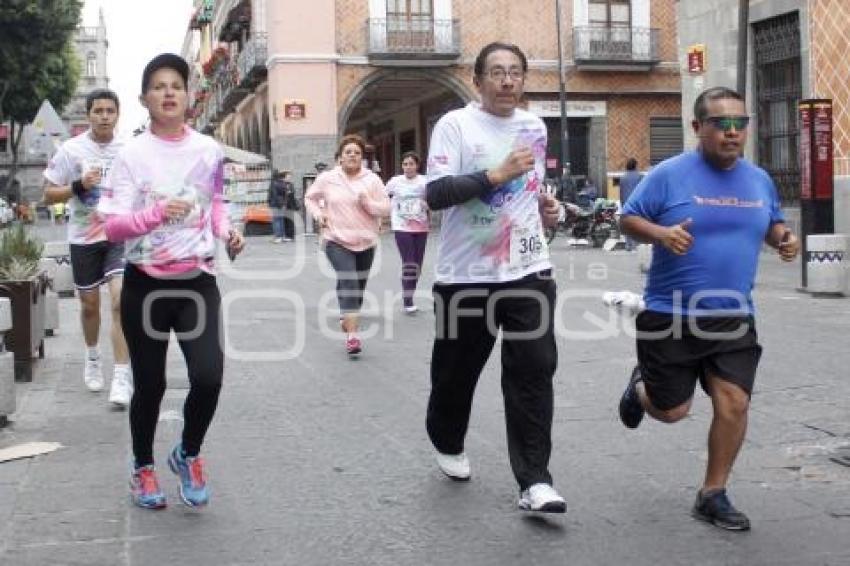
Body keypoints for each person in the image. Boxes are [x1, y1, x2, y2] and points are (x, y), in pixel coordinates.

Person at [617, 86, 800, 531]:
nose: (733, 132)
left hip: (733, 315)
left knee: (734, 402)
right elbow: (627, 217)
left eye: (741, 123)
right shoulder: (668, 174)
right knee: (671, 411)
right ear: (698, 127)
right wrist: (661, 234)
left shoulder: (759, 179)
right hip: (670, 313)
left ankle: (712, 492)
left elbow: (771, 222)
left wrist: (784, 239)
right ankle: (642, 389)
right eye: (722, 123)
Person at [97, 53, 245, 509]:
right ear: (145, 99)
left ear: (187, 96)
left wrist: (227, 231)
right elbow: (112, 227)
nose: (168, 92)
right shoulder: (131, 155)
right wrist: (155, 214)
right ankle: (143, 467)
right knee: (151, 384)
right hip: (145, 284)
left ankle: (187, 452)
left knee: (208, 377)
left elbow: (215, 203)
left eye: (176, 85)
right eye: (158, 86)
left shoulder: (208, 150)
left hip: (197, 279)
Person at [424, 42, 564, 513]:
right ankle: (446, 437)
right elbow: (438, 193)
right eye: (497, 72)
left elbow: (530, 192)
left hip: (528, 270)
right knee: (455, 376)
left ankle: (535, 482)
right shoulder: (454, 126)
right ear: (478, 79)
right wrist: (496, 173)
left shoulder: (534, 126)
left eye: (516, 72)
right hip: (465, 277)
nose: (507, 81)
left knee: (533, 372)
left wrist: (549, 212)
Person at [43, 88, 133, 407]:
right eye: (98, 111)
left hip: (118, 235)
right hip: (83, 237)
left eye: (110, 110)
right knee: (90, 306)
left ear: (117, 115)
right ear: (89, 114)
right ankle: (93, 356)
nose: (105, 116)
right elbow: (48, 194)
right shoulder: (71, 150)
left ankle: (122, 375)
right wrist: (80, 186)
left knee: (121, 301)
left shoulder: (130, 148)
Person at [304, 134, 390, 356]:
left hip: (365, 241)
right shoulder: (328, 178)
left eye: (357, 153)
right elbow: (310, 198)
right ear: (340, 157)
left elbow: (386, 208)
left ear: (362, 158)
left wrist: (368, 203)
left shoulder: (372, 180)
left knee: (358, 286)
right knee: (349, 279)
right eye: (348, 152)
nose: (352, 155)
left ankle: (347, 314)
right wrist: (318, 214)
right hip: (336, 239)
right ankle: (352, 336)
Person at [385, 151, 429, 314]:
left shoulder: (424, 181)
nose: (408, 167)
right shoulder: (395, 182)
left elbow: (433, 199)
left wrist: (427, 204)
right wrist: (387, 209)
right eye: (405, 164)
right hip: (401, 226)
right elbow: (383, 195)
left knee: (417, 266)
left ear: (417, 165)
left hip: (421, 226)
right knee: (409, 262)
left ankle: (409, 292)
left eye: (411, 164)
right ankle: (407, 300)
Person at [618, 158, 642, 251]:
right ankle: (636, 244)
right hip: (637, 204)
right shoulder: (640, 176)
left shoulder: (623, 177)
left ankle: (628, 245)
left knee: (628, 224)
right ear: (635, 165)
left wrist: (622, 203)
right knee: (638, 224)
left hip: (626, 203)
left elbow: (621, 192)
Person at [267, 170, 287, 243]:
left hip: (275, 204)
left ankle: (278, 237)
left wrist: (269, 202)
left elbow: (273, 194)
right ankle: (282, 236)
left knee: (276, 220)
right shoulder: (282, 183)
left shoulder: (273, 183)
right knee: (281, 220)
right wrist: (283, 203)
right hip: (282, 204)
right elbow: (285, 194)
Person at [281, 170, 298, 241]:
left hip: (291, 205)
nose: (289, 178)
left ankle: (291, 236)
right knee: (286, 221)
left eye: (290, 176)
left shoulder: (291, 184)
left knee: (290, 221)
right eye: (288, 176)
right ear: (284, 177)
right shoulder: (282, 184)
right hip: (285, 205)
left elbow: (292, 193)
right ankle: (287, 235)